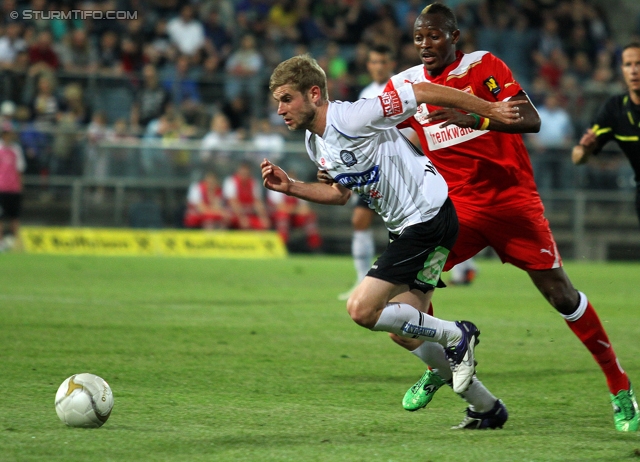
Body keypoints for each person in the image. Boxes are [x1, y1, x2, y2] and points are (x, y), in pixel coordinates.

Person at [383, 3, 637, 432]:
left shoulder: (484, 67)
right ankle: (444, 359)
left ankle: (620, 386)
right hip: (456, 209)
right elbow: (387, 134)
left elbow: (531, 119)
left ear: (455, 36)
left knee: (561, 295)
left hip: (512, 202)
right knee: (404, 296)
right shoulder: (406, 85)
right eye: (419, 38)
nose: (426, 45)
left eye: (435, 36)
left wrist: (473, 114)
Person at [261, 54, 523, 411]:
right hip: (408, 227)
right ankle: (487, 407)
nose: (280, 110)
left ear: (314, 94)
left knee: (361, 309)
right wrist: (291, 187)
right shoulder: (315, 142)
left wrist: (488, 110)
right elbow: (340, 195)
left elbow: (424, 91)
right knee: (406, 331)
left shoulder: (352, 116)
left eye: (286, 98)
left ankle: (457, 334)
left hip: (427, 218)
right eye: (277, 101)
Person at [337, 44, 396, 301]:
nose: (378, 66)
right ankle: (362, 282)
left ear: (390, 64)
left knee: (401, 229)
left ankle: (398, 285)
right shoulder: (366, 93)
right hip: (373, 168)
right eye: (373, 62)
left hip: (398, 167)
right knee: (359, 219)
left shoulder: (399, 88)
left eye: (382, 61)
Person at [572, 42, 640, 227]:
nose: (634, 70)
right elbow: (577, 157)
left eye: (639, 64)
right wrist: (586, 150)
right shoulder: (614, 109)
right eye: (628, 65)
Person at [266, 179, 322, 252]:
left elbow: (305, 209)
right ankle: (282, 246)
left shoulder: (299, 188)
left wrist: (292, 210)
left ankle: (314, 246)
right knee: (282, 216)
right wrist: (295, 210)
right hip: (277, 217)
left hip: (294, 217)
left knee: (310, 216)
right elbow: (279, 208)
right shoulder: (276, 186)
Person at [0, 121, 26, 251]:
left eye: (9, 133)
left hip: (14, 189)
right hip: (1, 188)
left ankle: (16, 243)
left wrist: (20, 187)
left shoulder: (16, 150)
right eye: (5, 134)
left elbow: (20, 169)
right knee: (1, 217)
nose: (7, 136)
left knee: (14, 216)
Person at [223, 161, 271, 230]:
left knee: (263, 224)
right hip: (234, 213)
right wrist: (242, 217)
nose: (244, 174)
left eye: (246, 172)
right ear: (238, 171)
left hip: (249, 213)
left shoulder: (254, 183)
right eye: (242, 171)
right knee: (236, 221)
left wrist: (263, 217)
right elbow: (233, 202)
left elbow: (257, 202)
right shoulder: (231, 181)